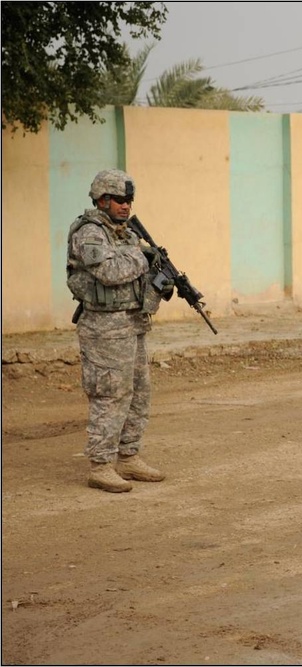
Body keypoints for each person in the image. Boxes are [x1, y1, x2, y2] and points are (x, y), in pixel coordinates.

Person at [66, 169, 170, 493]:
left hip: (132, 323)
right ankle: (101, 464)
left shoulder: (125, 234)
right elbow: (109, 272)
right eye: (120, 200)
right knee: (110, 395)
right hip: (103, 328)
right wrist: (142, 256)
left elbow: (132, 271)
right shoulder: (90, 233)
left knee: (139, 392)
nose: (126, 206)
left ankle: (128, 456)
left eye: (129, 200)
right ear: (103, 199)